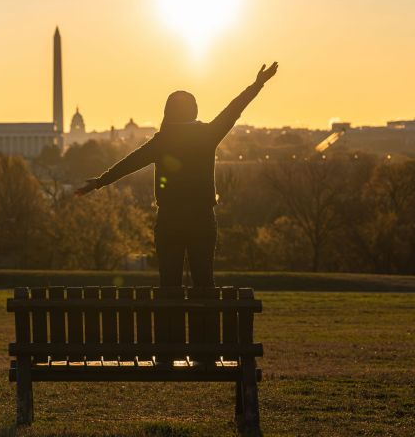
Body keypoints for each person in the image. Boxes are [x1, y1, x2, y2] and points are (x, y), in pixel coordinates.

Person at [76, 62, 278, 287]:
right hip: (202, 218)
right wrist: (257, 84)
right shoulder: (207, 134)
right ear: (194, 110)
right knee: (204, 284)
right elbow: (234, 109)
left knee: (169, 285)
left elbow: (129, 164)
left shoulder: (162, 141)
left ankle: (169, 323)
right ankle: (205, 322)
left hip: (169, 218)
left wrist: (99, 182)